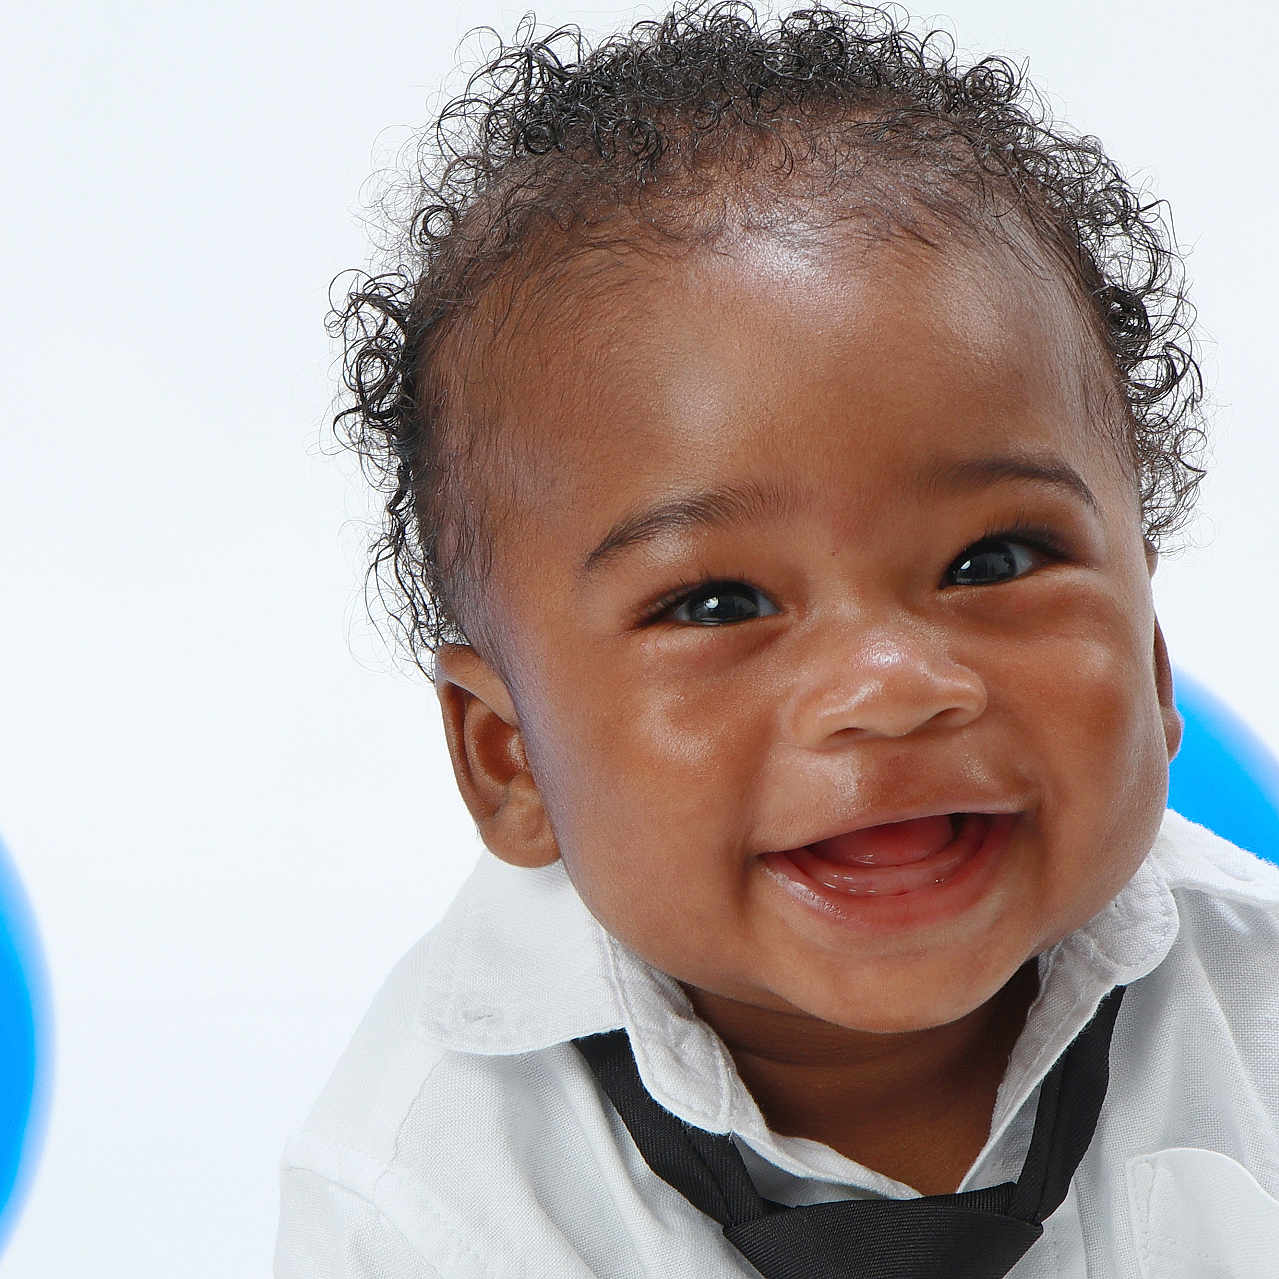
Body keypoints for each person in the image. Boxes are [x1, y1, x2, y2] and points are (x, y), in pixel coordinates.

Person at [274, 2, 1279, 1274]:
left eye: (994, 561)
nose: (891, 688)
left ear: (1148, 650)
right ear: (508, 757)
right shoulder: (425, 1193)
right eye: (717, 603)